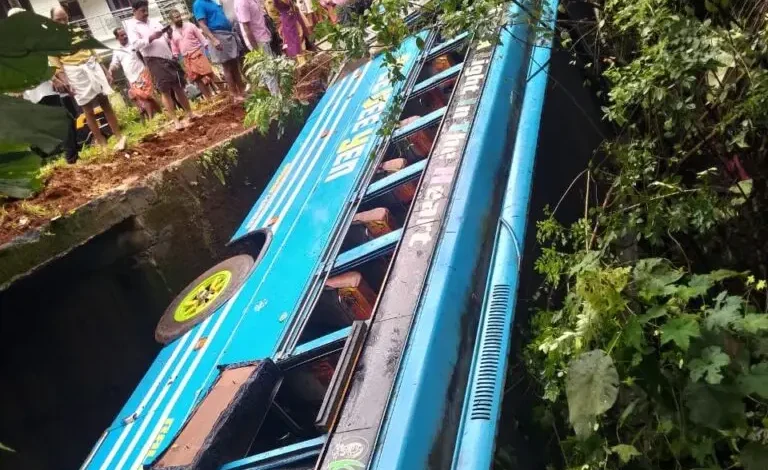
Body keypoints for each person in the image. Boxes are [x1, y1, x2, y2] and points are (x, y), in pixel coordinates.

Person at [50, 5, 127, 150]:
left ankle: (118, 136)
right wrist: (66, 82)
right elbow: (56, 64)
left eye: (64, 19)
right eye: (58, 20)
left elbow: (92, 51)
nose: (62, 23)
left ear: (68, 18)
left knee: (105, 102)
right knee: (88, 110)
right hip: (74, 72)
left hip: (92, 66)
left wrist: (105, 70)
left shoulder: (78, 31)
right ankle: (103, 144)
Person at [10, 7, 79, 164]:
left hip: (40, 88)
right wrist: (54, 80)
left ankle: (68, 156)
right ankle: (69, 157)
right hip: (38, 89)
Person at [125, 0, 198, 130]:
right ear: (134, 11)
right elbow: (135, 45)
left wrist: (168, 35)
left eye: (146, 10)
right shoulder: (132, 26)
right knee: (165, 90)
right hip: (153, 59)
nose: (145, 13)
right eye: (142, 11)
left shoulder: (153, 21)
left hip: (168, 56)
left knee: (178, 87)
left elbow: (164, 38)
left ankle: (190, 113)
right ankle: (175, 121)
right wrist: (151, 37)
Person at [193, 0, 247, 103]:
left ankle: (242, 90)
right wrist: (213, 39)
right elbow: (202, 24)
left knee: (234, 65)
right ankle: (234, 94)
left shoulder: (213, 2)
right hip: (217, 35)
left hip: (228, 34)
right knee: (227, 66)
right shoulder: (199, 3)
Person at [110, 27, 161, 119]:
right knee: (146, 97)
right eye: (122, 35)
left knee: (146, 96)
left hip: (143, 73)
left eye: (125, 34)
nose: (125, 36)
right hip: (132, 78)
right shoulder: (116, 51)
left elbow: (145, 42)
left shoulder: (134, 44)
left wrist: (154, 36)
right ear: (117, 38)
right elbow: (115, 64)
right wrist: (110, 70)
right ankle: (161, 113)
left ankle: (151, 119)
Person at [168, 9, 217, 99]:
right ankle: (209, 99)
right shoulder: (172, 33)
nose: (179, 18)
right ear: (171, 20)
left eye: (179, 16)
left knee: (210, 73)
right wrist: (175, 57)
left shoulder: (190, 25)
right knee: (197, 79)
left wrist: (207, 47)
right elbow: (174, 48)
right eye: (176, 18)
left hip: (197, 53)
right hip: (187, 58)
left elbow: (201, 38)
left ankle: (224, 91)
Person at [234, 0, 279, 95]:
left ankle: (276, 95)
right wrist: (256, 50)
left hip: (264, 36)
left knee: (271, 70)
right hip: (258, 41)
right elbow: (246, 27)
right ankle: (276, 97)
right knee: (269, 72)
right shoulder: (242, 2)